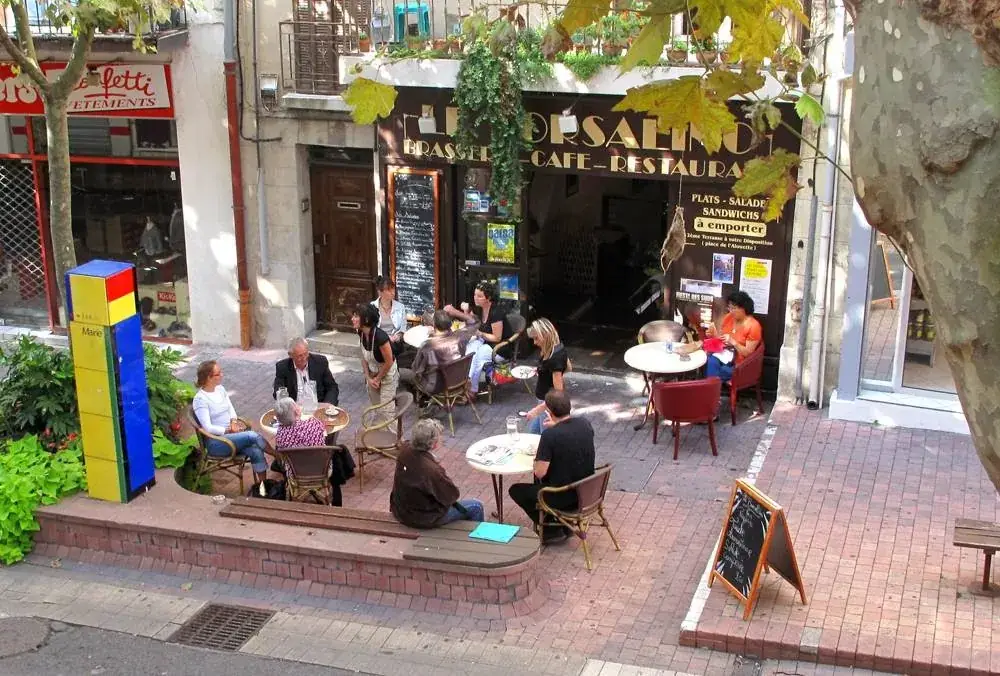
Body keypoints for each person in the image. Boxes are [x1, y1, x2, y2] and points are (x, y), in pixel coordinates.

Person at [508, 390, 595, 544]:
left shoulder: (550, 436)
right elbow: (570, 436)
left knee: (516, 490)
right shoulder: (584, 424)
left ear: (548, 411)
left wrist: (538, 455)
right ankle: (558, 522)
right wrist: (555, 426)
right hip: (588, 490)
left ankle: (550, 529)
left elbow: (540, 473)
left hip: (563, 496)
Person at [390, 419, 484, 528]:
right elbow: (451, 496)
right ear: (433, 444)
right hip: (423, 518)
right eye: (439, 437)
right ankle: (478, 541)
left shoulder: (404, 449)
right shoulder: (432, 471)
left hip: (401, 509)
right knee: (476, 506)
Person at [192, 360, 269, 486]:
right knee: (252, 436)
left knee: (256, 451)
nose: (221, 375)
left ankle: (263, 489)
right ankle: (278, 456)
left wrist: (233, 422)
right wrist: (228, 430)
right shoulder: (200, 399)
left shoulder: (220, 389)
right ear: (208, 378)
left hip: (231, 438)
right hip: (217, 443)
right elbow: (208, 428)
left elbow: (231, 409)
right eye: (218, 374)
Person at [272, 396, 352, 507]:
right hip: (320, 470)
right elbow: (323, 437)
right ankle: (336, 501)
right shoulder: (314, 424)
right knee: (336, 455)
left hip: (295, 473)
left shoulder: (280, 435)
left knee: (279, 463)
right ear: (296, 411)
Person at [443, 280, 513, 398]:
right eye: (475, 295)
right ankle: (465, 383)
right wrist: (465, 312)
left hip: (499, 348)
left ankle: (472, 390)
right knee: (469, 349)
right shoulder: (479, 309)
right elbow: (471, 322)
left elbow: (497, 337)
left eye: (479, 296)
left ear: (488, 298)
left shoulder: (496, 312)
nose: (476, 298)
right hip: (485, 343)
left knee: (477, 356)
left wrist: (479, 333)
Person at [683, 291, 762, 383]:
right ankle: (710, 388)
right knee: (710, 361)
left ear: (743, 308)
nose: (731, 311)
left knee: (717, 371)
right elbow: (722, 340)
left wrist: (734, 342)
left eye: (734, 308)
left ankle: (709, 388)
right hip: (724, 355)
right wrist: (714, 335)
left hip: (740, 363)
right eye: (729, 308)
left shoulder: (753, 326)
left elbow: (748, 354)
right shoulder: (729, 317)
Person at [399, 309, 472, 399]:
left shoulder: (427, 346)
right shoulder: (460, 338)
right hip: (458, 381)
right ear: (450, 324)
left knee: (399, 373)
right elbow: (473, 322)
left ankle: (418, 402)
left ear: (434, 325)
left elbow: (416, 370)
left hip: (436, 387)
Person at [523, 318, 569, 435]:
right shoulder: (557, 348)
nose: (535, 342)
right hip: (543, 401)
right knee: (533, 436)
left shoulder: (554, 358)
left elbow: (558, 394)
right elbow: (568, 367)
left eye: (536, 338)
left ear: (545, 335)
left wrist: (536, 410)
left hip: (547, 404)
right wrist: (542, 371)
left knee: (545, 439)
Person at [352, 303, 399, 415]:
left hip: (387, 375)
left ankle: (395, 432)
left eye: (356, 316)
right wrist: (368, 377)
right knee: (377, 409)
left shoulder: (381, 337)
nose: (352, 319)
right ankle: (379, 431)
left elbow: (389, 362)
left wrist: (377, 379)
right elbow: (363, 357)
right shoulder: (360, 333)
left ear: (366, 319)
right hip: (372, 374)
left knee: (387, 411)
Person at [272, 337, 340, 405]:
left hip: (318, 406)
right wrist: (288, 404)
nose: (304, 358)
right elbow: (278, 391)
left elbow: (332, 387)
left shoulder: (320, 362)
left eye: (305, 353)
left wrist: (327, 404)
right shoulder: (282, 367)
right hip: (295, 408)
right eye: (300, 356)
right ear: (291, 355)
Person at [371, 276, 407, 358]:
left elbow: (403, 327)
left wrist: (398, 336)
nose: (392, 292)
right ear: (380, 292)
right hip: (378, 343)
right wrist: (385, 338)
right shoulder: (372, 306)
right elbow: (370, 328)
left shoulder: (400, 307)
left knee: (393, 348)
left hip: (394, 342)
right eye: (388, 290)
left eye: (393, 289)